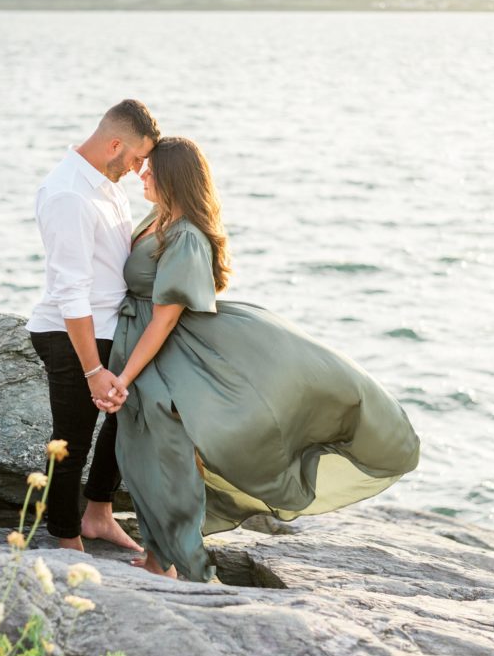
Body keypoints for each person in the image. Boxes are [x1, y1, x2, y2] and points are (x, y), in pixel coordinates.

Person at [100, 137, 420, 582]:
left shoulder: (186, 236)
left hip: (168, 354)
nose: (142, 174)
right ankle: (160, 556)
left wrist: (124, 376)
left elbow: (165, 317)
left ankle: (186, 567)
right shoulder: (159, 218)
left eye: (151, 169)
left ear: (175, 177)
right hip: (143, 346)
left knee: (166, 456)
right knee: (139, 453)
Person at [26, 99, 160, 552]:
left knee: (129, 420)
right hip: (71, 336)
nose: (140, 168)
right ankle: (65, 539)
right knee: (71, 442)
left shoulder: (106, 184)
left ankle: (98, 514)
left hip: (110, 330)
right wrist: (91, 369)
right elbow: (71, 291)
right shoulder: (69, 195)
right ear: (115, 144)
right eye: (137, 158)